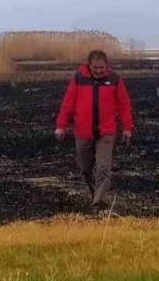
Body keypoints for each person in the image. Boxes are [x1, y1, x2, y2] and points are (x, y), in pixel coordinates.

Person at [55, 49, 134, 210]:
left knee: (103, 168)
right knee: (85, 168)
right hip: (83, 131)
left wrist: (127, 127)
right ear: (89, 65)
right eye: (95, 68)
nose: (98, 71)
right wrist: (60, 126)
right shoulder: (78, 78)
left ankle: (98, 202)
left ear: (106, 66)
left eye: (101, 68)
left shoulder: (114, 79)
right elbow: (68, 103)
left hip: (106, 132)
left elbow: (124, 104)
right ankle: (94, 193)